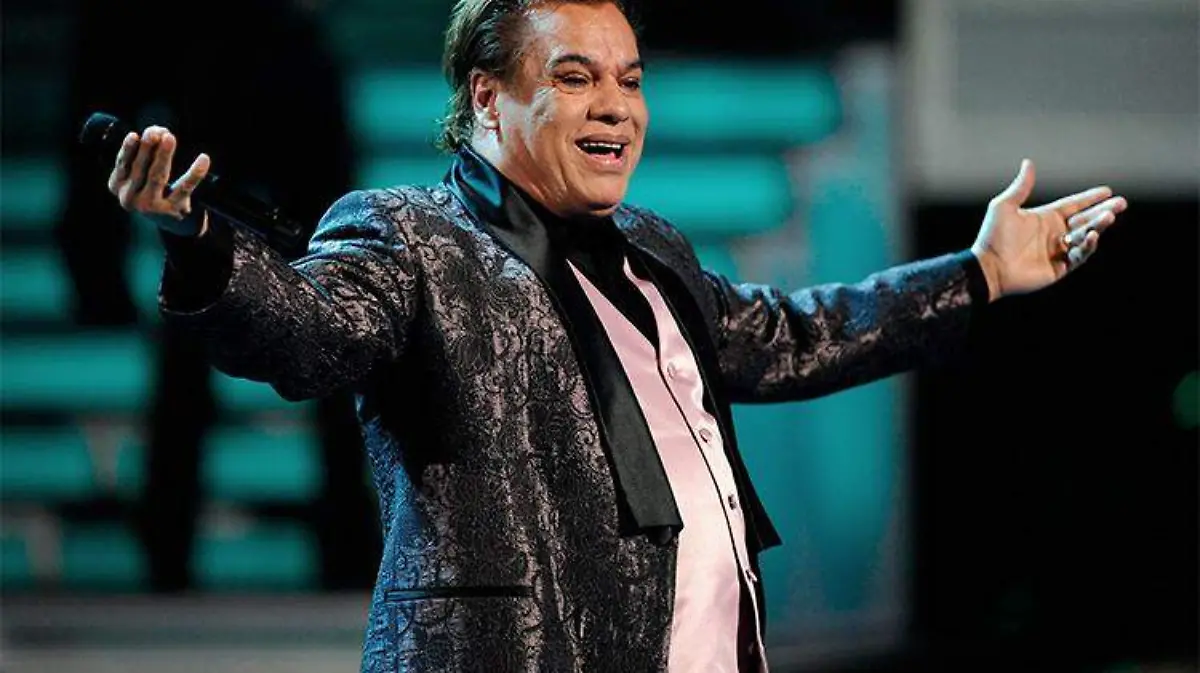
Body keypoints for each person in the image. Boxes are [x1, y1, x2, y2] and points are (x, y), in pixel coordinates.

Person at [100, 0, 1127, 670]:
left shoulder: (651, 248)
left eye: (630, 79)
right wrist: (202, 246)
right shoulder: (410, 235)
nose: (617, 108)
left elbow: (788, 337)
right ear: (488, 96)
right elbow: (307, 334)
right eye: (577, 77)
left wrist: (978, 274)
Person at [58, 0, 380, 591]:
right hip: (221, 90)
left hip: (270, 94)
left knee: (326, 330)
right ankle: (174, 545)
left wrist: (93, 266)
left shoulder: (287, 48)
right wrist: (93, 263)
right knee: (194, 342)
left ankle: (342, 546)